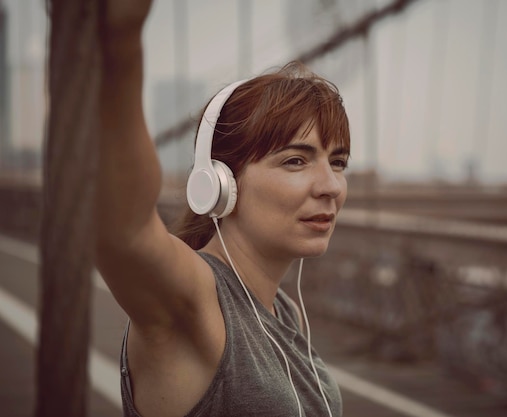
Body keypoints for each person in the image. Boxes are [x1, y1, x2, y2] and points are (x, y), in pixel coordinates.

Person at [97, 1, 350, 416]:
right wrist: (121, 46)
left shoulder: (287, 314)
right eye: (295, 161)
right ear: (218, 184)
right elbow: (122, 232)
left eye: (337, 162)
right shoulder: (192, 301)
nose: (331, 186)